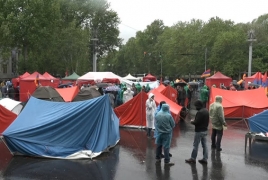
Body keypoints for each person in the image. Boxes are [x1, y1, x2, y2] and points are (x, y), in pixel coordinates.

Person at [185, 99, 209, 164]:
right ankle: (205, 158)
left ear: (198, 105)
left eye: (196, 106)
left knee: (196, 145)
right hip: (205, 130)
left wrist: (192, 121)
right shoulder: (206, 110)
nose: (195, 107)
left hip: (199, 131)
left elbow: (197, 122)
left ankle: (193, 158)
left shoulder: (200, 112)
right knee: (205, 145)